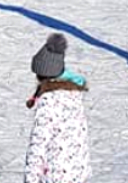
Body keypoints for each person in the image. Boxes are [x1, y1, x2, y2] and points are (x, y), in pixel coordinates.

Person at [23, 33, 90, 183]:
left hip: (54, 176)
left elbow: (38, 145)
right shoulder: (73, 95)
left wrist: (30, 179)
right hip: (76, 173)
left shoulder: (49, 101)